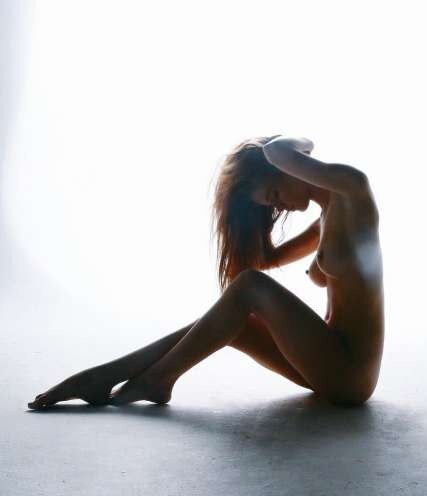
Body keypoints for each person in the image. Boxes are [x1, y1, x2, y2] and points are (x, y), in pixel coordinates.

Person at [27, 135, 384, 409]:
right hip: (326, 363)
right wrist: (244, 224)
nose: (281, 207)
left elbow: (278, 150)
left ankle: (156, 378)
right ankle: (109, 374)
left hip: (350, 373)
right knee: (238, 319)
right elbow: (267, 260)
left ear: (291, 168)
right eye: (272, 203)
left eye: (275, 193)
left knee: (249, 287)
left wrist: (291, 145)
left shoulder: (354, 192)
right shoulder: (324, 221)